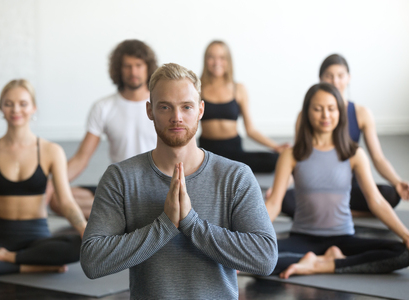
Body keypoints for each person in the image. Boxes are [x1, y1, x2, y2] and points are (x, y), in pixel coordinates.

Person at [80, 63, 278, 299]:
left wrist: (191, 224)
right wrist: (164, 225)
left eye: (186, 107)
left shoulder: (235, 176)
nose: (177, 117)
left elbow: (265, 259)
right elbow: (92, 261)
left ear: (201, 110)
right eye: (165, 107)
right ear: (150, 110)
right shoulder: (121, 178)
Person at [266, 82, 409, 279]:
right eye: (318, 109)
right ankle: (330, 261)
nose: (326, 116)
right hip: (302, 238)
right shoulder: (291, 155)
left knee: (403, 253)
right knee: (255, 255)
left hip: (344, 239)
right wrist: (246, 239)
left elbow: (376, 201)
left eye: (331, 109)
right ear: (307, 112)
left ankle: (318, 265)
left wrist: (405, 234)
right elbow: (274, 204)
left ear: (340, 112)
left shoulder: (354, 154)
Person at [0, 79, 87, 278]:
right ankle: (29, 266)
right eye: (8, 103)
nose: (15, 109)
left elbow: (66, 201)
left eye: (23, 103)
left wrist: (84, 229)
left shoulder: (51, 151)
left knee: (80, 245)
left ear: (33, 108)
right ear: (1, 108)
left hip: (36, 238)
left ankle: (7, 259)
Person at [280, 54, 409, 217]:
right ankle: (340, 213)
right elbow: (298, 158)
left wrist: (397, 181)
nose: (335, 81)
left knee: (390, 194)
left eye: (340, 76)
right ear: (320, 79)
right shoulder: (306, 115)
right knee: (284, 199)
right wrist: (280, 187)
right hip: (315, 187)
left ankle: (339, 213)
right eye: (329, 76)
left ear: (349, 78)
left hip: (349, 186)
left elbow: (378, 158)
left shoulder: (361, 113)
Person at [47, 39, 158, 218]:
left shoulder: (160, 105)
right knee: (56, 198)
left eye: (138, 65)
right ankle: (121, 212)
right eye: (127, 66)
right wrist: (50, 186)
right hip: (117, 187)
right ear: (119, 69)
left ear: (148, 67)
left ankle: (117, 213)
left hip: (154, 186)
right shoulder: (104, 107)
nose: (133, 72)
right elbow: (81, 158)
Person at [198, 40, 289, 173]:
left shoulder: (238, 89)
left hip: (234, 152)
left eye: (222, 57)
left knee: (277, 159)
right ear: (206, 60)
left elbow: (250, 130)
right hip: (207, 153)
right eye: (212, 57)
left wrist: (276, 147)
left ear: (228, 61)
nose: (217, 62)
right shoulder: (198, 88)